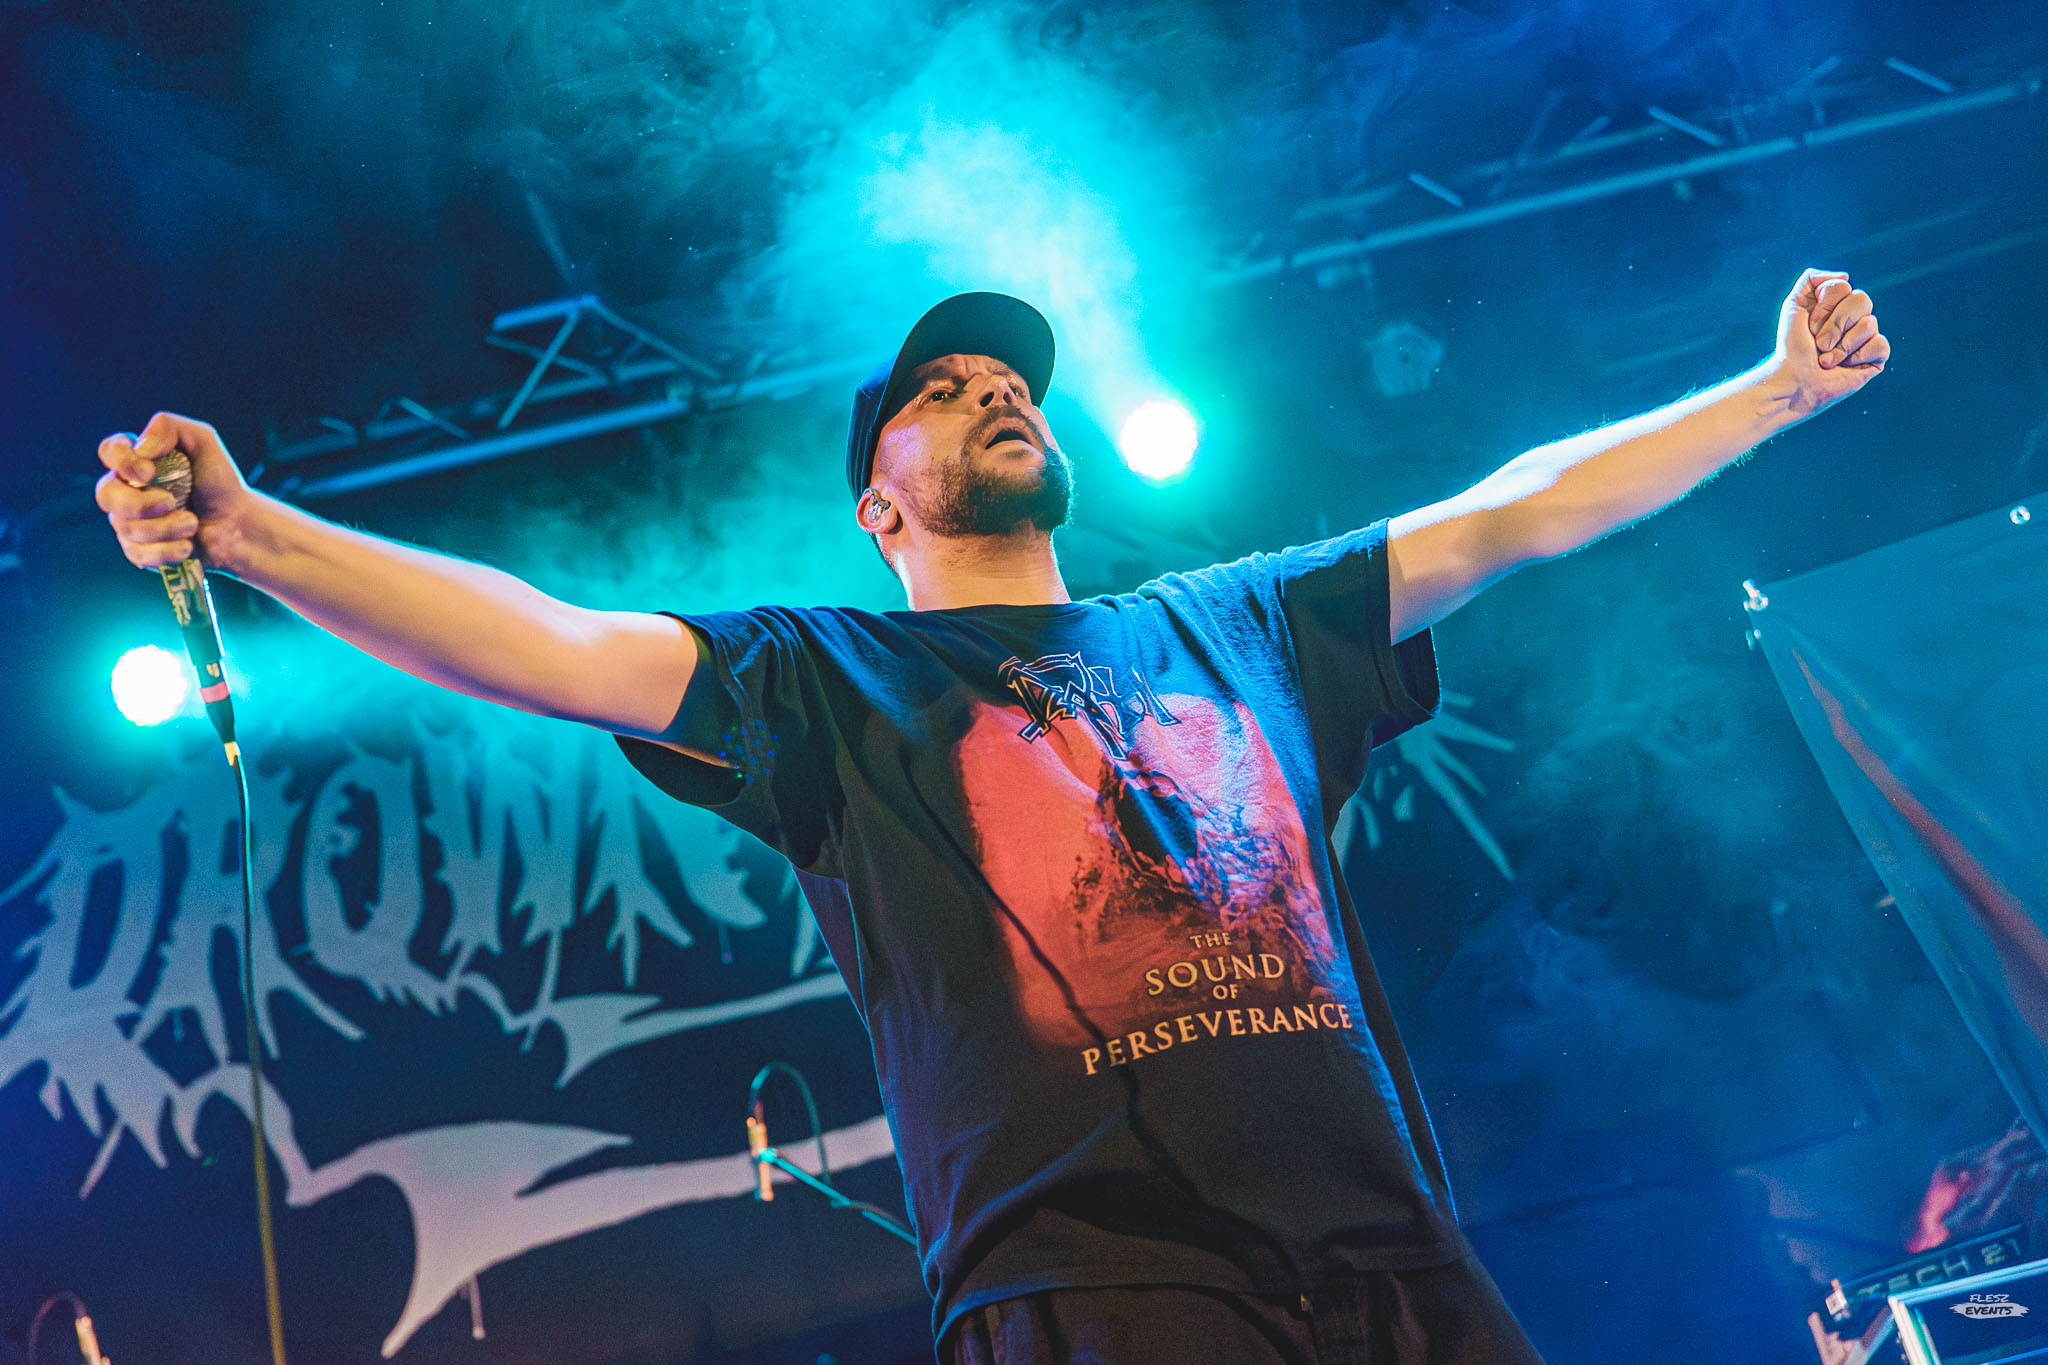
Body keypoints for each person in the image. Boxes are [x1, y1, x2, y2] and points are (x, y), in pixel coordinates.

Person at [95, 271, 1888, 1364]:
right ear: (879, 506)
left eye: (1006, 377)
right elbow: (546, 643)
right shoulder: (824, 681)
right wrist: (254, 536)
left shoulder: (1238, 625)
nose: (992, 390)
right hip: (1101, 1290)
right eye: (939, 395)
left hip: (1395, 1258)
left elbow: (1517, 507)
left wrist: (1777, 394)